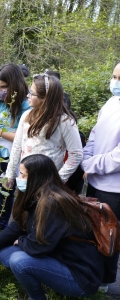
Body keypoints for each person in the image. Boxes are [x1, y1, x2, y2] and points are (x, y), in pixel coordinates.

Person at [0, 154, 104, 300]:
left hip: (80, 276)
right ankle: (44, 277)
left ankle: (37, 297)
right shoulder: (38, 196)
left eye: (23, 175)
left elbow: (39, 247)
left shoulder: (53, 203)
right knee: (5, 254)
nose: (19, 178)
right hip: (59, 256)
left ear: (37, 178)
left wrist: (22, 241)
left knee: (18, 261)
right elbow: (18, 226)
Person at [81, 61, 120, 292]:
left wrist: (93, 164)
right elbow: (95, 134)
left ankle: (105, 284)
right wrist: (87, 158)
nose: (115, 83)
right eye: (115, 77)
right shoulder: (111, 102)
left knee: (109, 238)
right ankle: (91, 278)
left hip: (115, 189)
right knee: (92, 234)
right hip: (95, 181)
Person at [5, 74, 83, 187]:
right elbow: (17, 146)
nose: (28, 95)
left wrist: (58, 181)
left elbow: (76, 154)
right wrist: (10, 174)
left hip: (49, 183)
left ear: (45, 98)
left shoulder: (65, 121)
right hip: (26, 179)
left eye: (32, 93)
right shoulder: (26, 116)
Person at [0, 63, 30, 230]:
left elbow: (24, 136)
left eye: (4, 87)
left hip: (10, 154)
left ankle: (0, 225)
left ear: (14, 85)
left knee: (5, 189)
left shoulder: (25, 104)